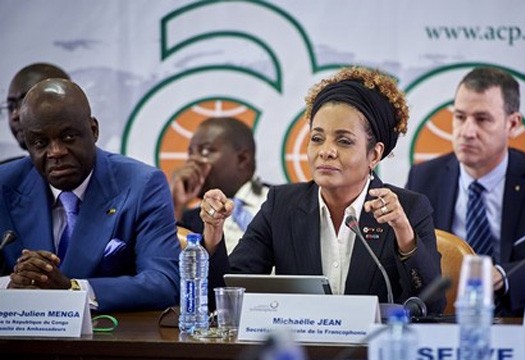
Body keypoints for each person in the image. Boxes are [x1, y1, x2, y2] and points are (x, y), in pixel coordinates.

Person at [200, 67, 445, 313]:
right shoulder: (281, 205)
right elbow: (225, 300)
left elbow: (431, 305)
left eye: (344, 141)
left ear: (375, 154)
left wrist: (404, 233)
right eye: (317, 138)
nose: (325, 151)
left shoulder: (408, 209)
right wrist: (213, 235)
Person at [405, 67, 525, 316]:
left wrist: (502, 276)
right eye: (460, 117)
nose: (467, 131)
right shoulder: (423, 177)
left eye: (482, 119)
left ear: (513, 124)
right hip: (442, 320)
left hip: (516, 319)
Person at [0, 78, 180, 312]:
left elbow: (164, 282)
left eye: (68, 137)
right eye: (41, 142)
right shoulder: (5, 185)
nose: (56, 152)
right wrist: (14, 285)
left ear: (93, 130)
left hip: (106, 342)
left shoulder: (142, 185)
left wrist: (73, 289)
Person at [171, 117, 269, 252]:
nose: (193, 160)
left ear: (242, 159)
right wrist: (177, 205)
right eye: (191, 153)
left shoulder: (281, 202)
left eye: (205, 151)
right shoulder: (189, 219)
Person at [2, 63, 70, 164]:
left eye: (26, 102)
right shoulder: (6, 174)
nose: (15, 115)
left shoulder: (97, 170)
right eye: (11, 106)